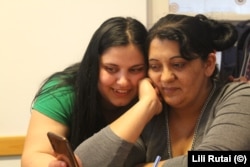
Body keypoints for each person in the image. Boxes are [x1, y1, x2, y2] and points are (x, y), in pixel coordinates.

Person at [75, 14, 250, 166]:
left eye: (178, 65)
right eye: (155, 66)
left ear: (209, 64)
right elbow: (84, 163)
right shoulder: (153, 112)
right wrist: (145, 105)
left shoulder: (239, 96)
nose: (165, 78)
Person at [21, 16, 162, 167]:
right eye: (111, 69)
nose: (123, 81)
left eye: (136, 70)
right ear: (94, 65)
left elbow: (189, 159)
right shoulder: (65, 91)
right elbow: (33, 156)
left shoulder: (160, 91)